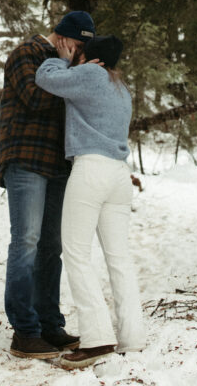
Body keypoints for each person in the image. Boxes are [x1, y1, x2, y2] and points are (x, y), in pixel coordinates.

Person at [35, 33, 146, 369]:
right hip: (118, 175)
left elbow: (44, 77)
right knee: (119, 257)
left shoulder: (90, 73)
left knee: (77, 253)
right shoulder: (120, 87)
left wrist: (64, 60)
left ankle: (97, 339)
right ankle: (133, 336)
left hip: (91, 170)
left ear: (91, 57)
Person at [0, 10, 95, 360]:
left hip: (57, 164)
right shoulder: (26, 53)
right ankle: (25, 332)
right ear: (64, 37)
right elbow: (36, 99)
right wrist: (73, 72)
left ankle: (49, 326)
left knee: (50, 247)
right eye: (77, 45)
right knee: (26, 241)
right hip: (25, 159)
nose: (77, 52)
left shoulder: (65, 66)